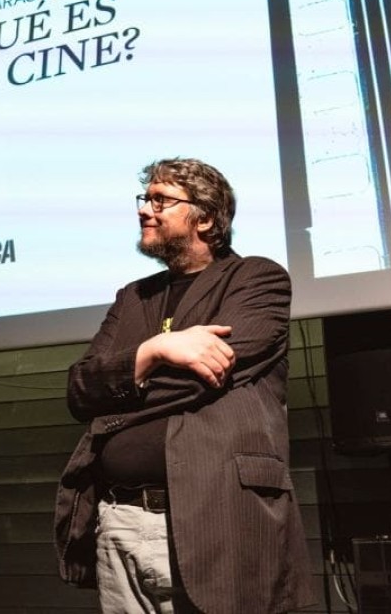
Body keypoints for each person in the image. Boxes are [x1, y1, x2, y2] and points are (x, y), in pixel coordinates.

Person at [54, 158, 314, 614]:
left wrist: (123, 378)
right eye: (145, 198)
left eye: (162, 200)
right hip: (120, 518)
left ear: (207, 218)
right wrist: (155, 351)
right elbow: (80, 389)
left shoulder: (256, 279)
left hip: (217, 514)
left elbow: (202, 380)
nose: (145, 210)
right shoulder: (134, 296)